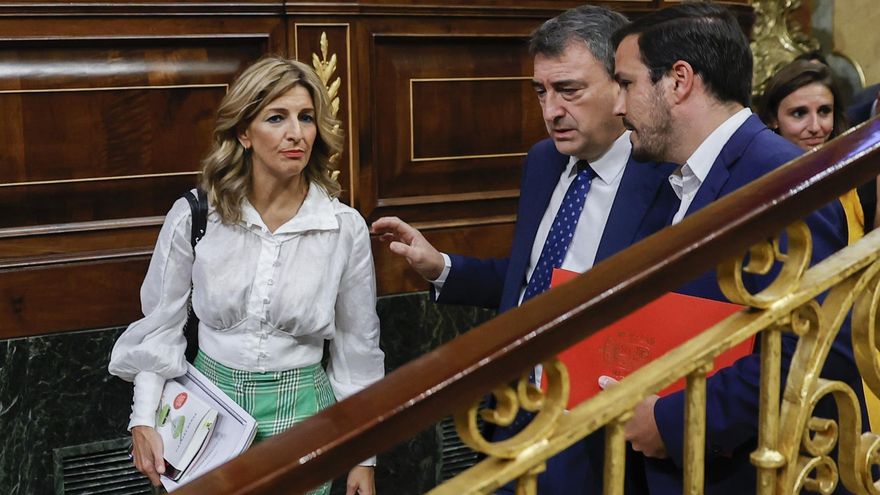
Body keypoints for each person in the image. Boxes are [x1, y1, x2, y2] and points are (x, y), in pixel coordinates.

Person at [372, 5, 673, 494]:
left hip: (598, 428)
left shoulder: (663, 177)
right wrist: (441, 267)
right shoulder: (544, 162)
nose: (551, 111)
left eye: (568, 91)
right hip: (512, 406)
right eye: (541, 91)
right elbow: (534, 278)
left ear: (621, 85)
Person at [609, 2, 864, 493]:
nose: (618, 105)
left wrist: (674, 420)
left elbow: (816, 348)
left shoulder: (784, 181)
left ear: (679, 80)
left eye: (626, 83)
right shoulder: (669, 177)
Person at [108, 56, 384, 495]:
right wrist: (142, 419)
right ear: (244, 133)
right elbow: (160, 325)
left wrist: (363, 457)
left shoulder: (341, 226)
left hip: (306, 419)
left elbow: (358, 350)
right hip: (206, 415)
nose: (297, 133)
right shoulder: (196, 216)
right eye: (277, 117)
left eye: (306, 117)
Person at [758, 59, 864, 242]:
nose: (815, 127)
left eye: (824, 111)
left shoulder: (847, 173)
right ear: (772, 119)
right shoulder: (758, 180)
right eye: (799, 113)